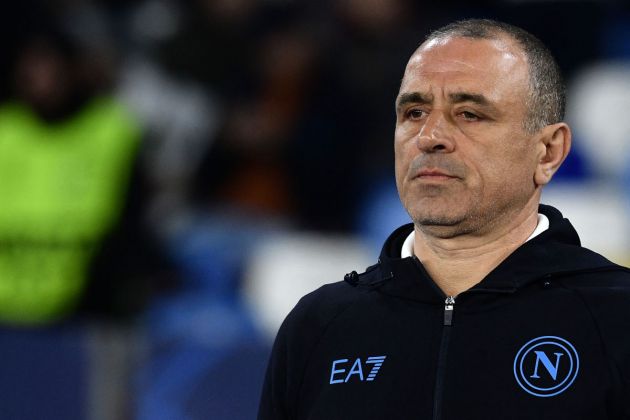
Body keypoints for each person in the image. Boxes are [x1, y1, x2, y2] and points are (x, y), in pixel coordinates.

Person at [257, 19, 630, 419]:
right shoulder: (318, 326)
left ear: (548, 152)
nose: (429, 135)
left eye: (469, 114)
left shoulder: (617, 316)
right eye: (414, 111)